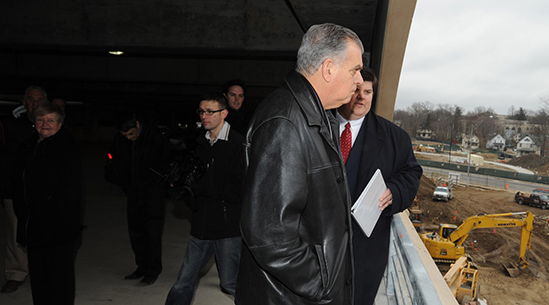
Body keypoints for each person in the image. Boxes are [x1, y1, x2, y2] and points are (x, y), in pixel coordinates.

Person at [235, 23, 363, 305]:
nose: (359, 81)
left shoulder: (317, 116)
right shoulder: (286, 122)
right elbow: (269, 234)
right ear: (329, 68)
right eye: (355, 70)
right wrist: (322, 284)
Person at [335, 66, 422, 305]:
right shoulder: (317, 127)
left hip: (366, 244)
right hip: (321, 242)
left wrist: (395, 191)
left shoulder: (396, 137)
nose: (362, 97)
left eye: (368, 91)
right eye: (356, 90)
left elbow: (411, 173)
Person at [165, 94, 245, 304]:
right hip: (200, 226)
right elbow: (195, 179)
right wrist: (184, 190)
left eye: (211, 111)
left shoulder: (237, 145)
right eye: (202, 111)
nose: (205, 116)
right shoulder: (200, 142)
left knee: (230, 283)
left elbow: (237, 190)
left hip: (227, 229)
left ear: (224, 114)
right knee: (184, 280)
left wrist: (199, 188)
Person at [12, 103, 82, 304]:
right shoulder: (28, 146)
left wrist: (55, 220)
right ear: (34, 122)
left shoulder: (66, 148)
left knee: (59, 280)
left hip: (57, 228)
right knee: (39, 278)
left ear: (60, 124)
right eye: (41, 119)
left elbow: (69, 193)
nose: (45, 124)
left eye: (51, 120)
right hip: (33, 225)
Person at [0, 85, 46, 293]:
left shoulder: (52, 124)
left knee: (44, 232)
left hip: (43, 193)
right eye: (31, 99)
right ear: (24, 102)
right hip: (14, 191)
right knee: (15, 233)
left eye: (40, 99)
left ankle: (43, 272)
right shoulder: (9, 125)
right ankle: (16, 273)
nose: (36, 103)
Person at [106, 112, 170, 285]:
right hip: (133, 192)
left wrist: (156, 182)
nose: (128, 138)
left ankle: (153, 270)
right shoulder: (121, 140)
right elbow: (114, 160)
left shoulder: (154, 137)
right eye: (124, 135)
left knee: (152, 232)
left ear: (137, 125)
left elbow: (166, 162)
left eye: (131, 134)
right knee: (136, 231)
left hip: (152, 193)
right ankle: (141, 267)